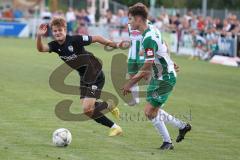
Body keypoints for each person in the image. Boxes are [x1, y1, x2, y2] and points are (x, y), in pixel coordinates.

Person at [36, 16, 122, 137]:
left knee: (87, 109)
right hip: (83, 76)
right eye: (55, 31)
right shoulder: (55, 45)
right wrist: (39, 35)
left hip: (94, 72)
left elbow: (96, 38)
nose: (57, 33)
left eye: (60, 30)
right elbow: (41, 49)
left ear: (65, 30)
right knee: (88, 111)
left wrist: (113, 44)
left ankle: (115, 128)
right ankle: (108, 105)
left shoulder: (75, 40)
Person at [122, 3, 191, 150]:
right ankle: (181, 127)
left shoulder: (148, 36)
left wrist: (131, 83)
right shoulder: (151, 28)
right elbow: (164, 44)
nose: (128, 22)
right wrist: (170, 61)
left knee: (149, 111)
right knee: (152, 110)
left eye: (130, 19)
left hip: (165, 78)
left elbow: (148, 64)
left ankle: (168, 142)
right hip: (159, 76)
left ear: (139, 19)